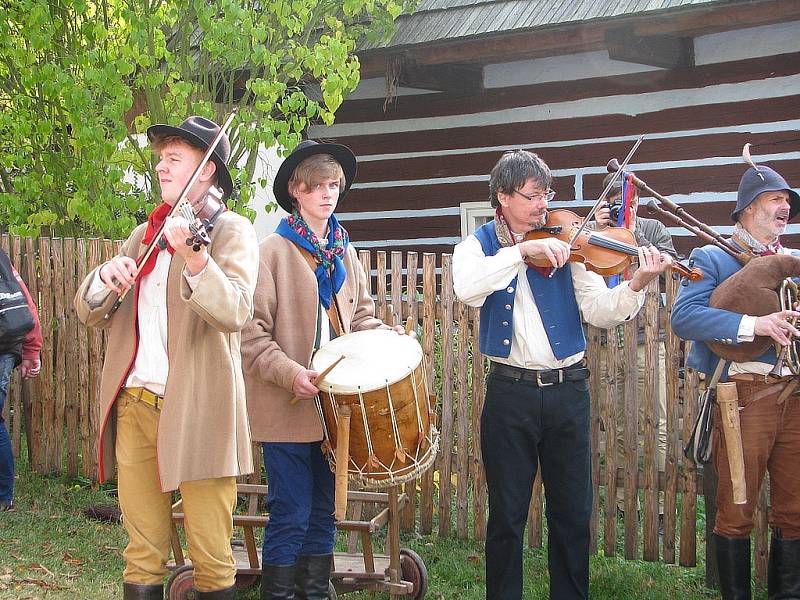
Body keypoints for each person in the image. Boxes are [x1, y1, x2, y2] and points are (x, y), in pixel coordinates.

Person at [452, 149, 672, 600]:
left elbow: (601, 310)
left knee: (572, 515)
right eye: (532, 195)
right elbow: (467, 288)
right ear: (503, 197)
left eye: (545, 194)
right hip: (509, 393)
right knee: (507, 518)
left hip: (568, 391)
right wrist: (520, 252)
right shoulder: (479, 245)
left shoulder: (569, 243)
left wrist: (635, 285)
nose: (541, 204)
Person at [74, 116, 259, 600]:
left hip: (199, 409)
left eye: (174, 158)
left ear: (208, 170)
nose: (161, 166)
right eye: (161, 157)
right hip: (135, 404)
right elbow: (92, 313)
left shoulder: (230, 231)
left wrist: (197, 258)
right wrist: (105, 276)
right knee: (142, 551)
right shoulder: (144, 235)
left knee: (211, 556)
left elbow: (236, 310)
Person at [241, 140, 405, 600]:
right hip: (286, 407)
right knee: (290, 509)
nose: (327, 195)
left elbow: (361, 319)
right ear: (296, 191)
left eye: (334, 186)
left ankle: (313, 593)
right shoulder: (270, 252)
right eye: (317, 187)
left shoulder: (344, 249)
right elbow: (250, 337)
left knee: (323, 511)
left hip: (336, 410)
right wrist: (290, 373)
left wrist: (384, 336)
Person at [672, 164, 800, 600]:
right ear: (747, 208)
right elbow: (684, 318)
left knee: (795, 510)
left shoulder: (791, 267)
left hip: (795, 395)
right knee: (736, 511)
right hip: (744, 395)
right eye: (776, 199)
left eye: (788, 202)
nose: (786, 207)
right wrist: (755, 324)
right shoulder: (713, 257)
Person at [593, 172, 676, 522]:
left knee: (654, 423)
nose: (622, 207)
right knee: (612, 422)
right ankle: (623, 500)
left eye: (627, 201)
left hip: (645, 341)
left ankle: (657, 504)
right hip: (604, 343)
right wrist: (601, 232)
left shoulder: (653, 230)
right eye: (613, 202)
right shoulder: (593, 233)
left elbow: (669, 266)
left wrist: (631, 233)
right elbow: (584, 273)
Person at [0, 251, 42, 511]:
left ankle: (4, 495)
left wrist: (32, 350)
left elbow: (22, 302)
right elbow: (26, 302)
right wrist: (31, 350)